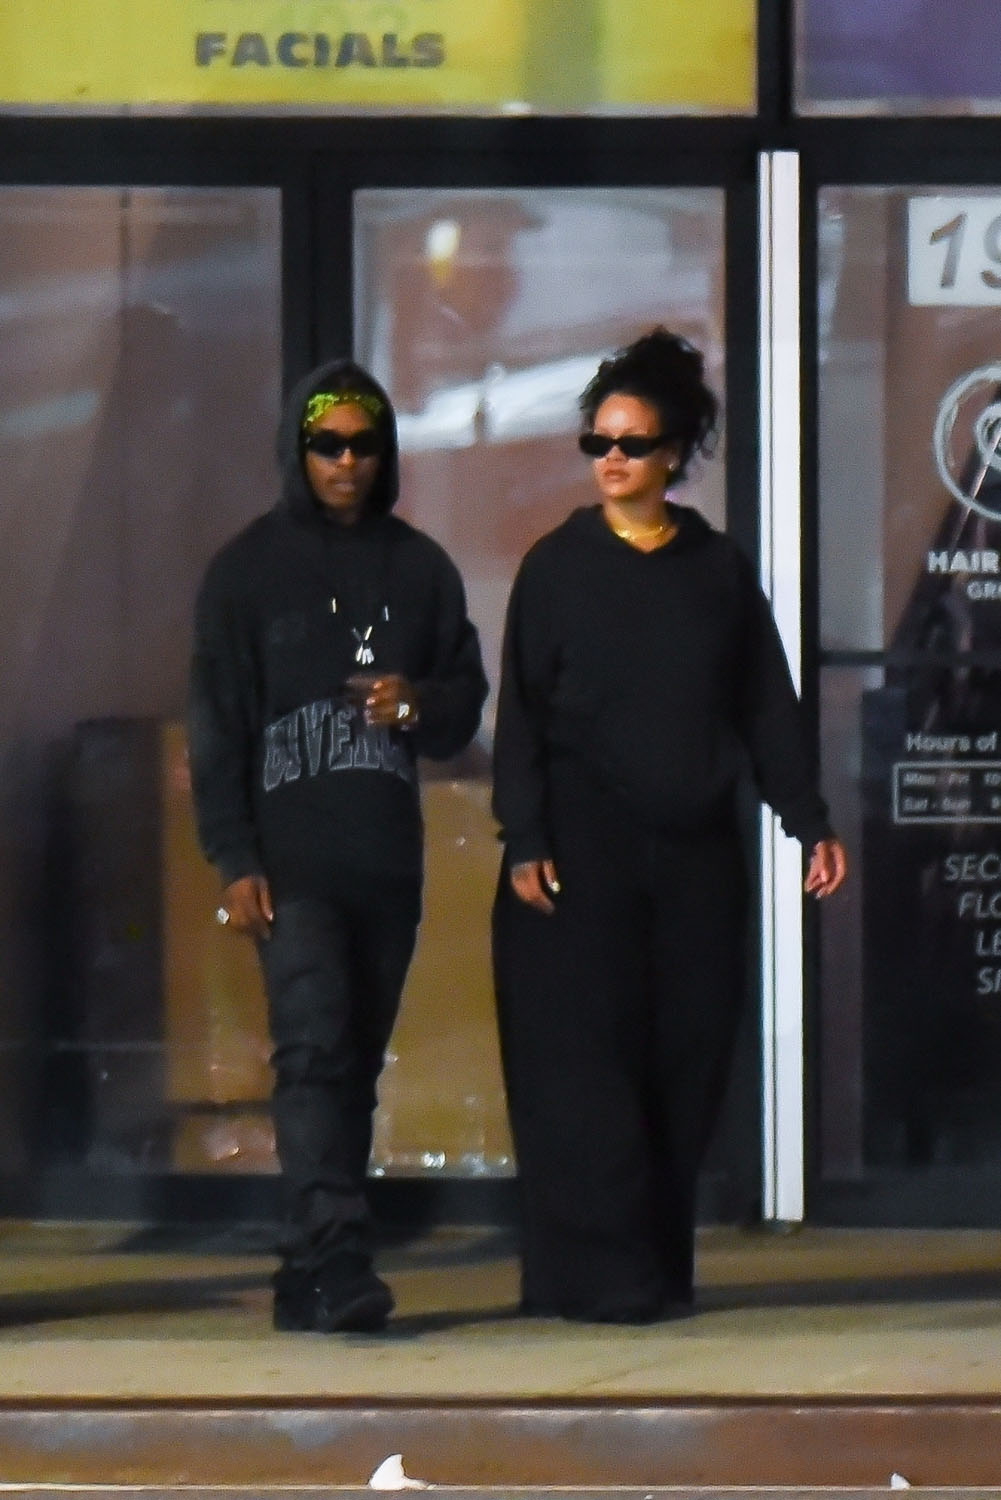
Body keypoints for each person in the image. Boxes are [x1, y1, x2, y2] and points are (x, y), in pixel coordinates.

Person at [492, 328, 847, 1324]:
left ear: (674, 454)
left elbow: (764, 707)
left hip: (694, 858)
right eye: (597, 442)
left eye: (632, 443)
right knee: (585, 1073)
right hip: (579, 860)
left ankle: (653, 1269)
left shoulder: (715, 570)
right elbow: (520, 716)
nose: (611, 459)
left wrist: (807, 821)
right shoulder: (555, 568)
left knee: (685, 1063)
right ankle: (591, 1280)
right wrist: (525, 836)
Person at [188, 359, 487, 1333]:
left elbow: (463, 701)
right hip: (292, 864)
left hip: (385, 862)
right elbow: (216, 727)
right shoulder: (243, 573)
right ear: (298, 449)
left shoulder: (421, 568)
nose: (346, 462)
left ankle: (306, 1272)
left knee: (351, 1063)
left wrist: (418, 702)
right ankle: (338, 1252)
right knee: (313, 1050)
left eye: (363, 445)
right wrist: (234, 858)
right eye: (327, 444)